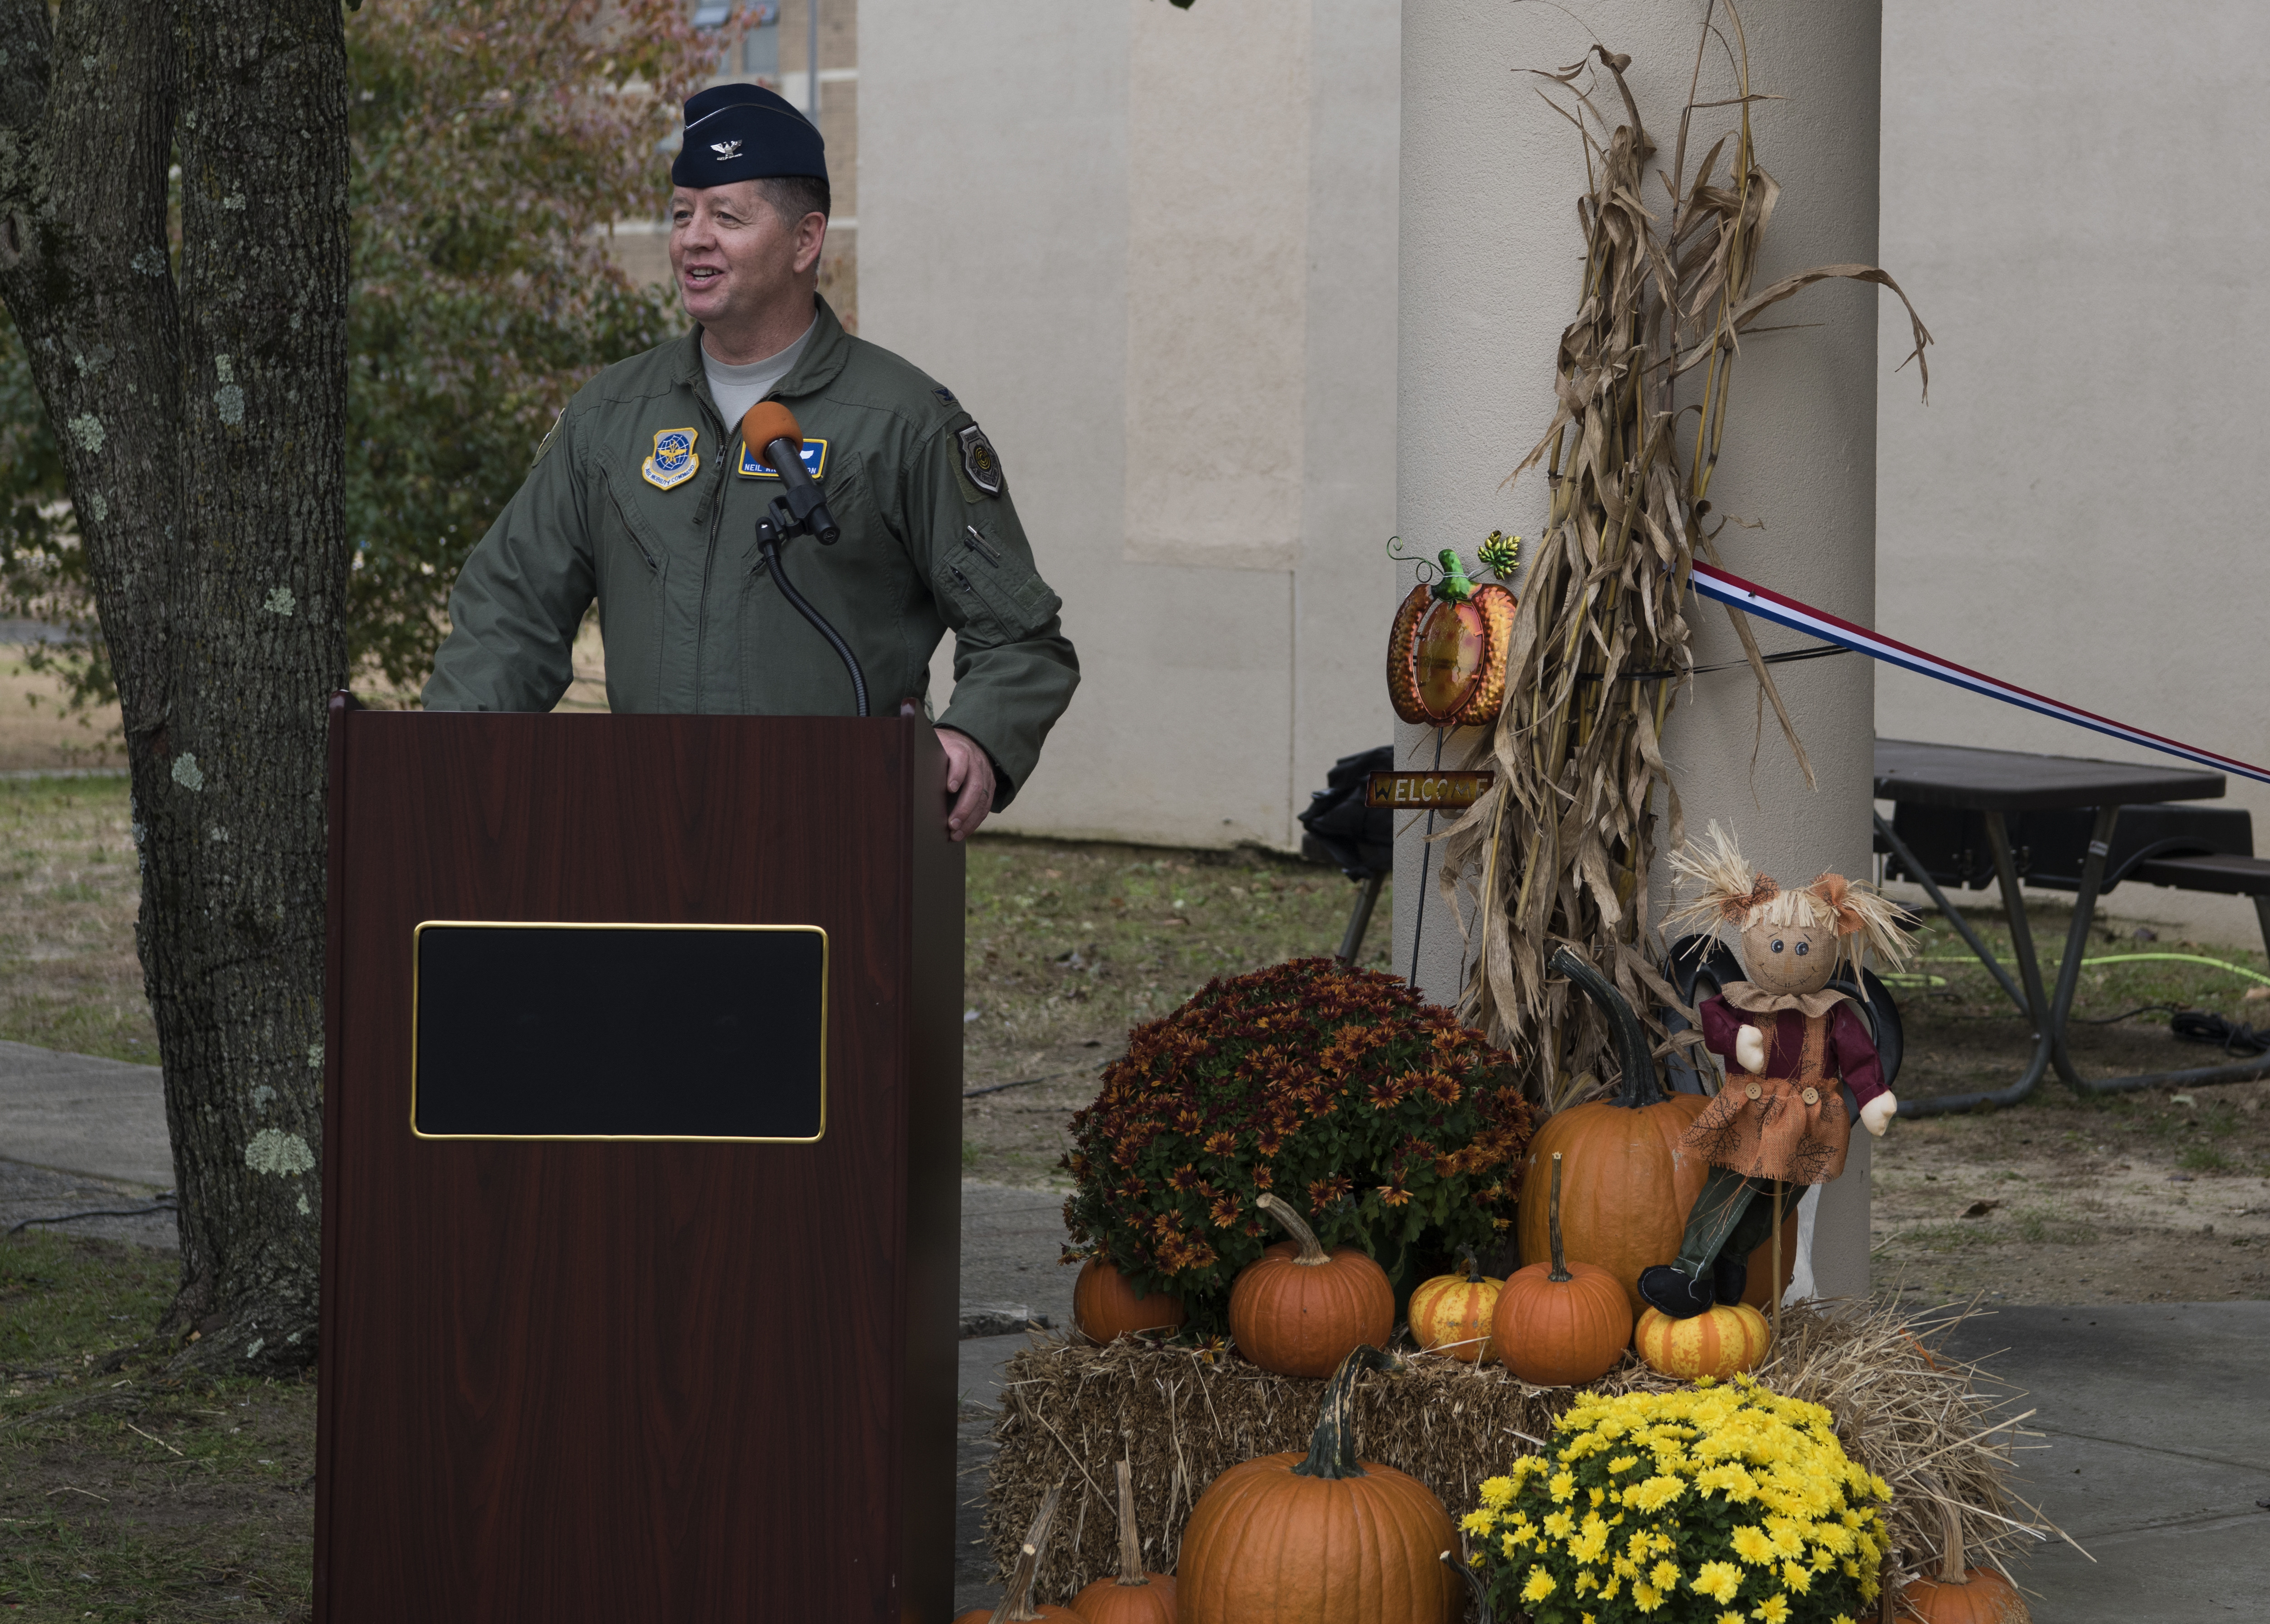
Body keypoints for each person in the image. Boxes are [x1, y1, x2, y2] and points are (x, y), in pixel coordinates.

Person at [423, 83, 1078, 841]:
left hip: (840, 837)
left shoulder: (901, 422)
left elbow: (1020, 638)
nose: (693, 239)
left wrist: (975, 739)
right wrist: (452, 759)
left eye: (726, 217)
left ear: (804, 241)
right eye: (682, 215)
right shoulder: (611, 415)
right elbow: (509, 609)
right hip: (644, 836)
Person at [1637, 821, 1917, 1319]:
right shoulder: (1745, 1001)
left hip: (1808, 1124)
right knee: (1727, 1187)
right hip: (1748, 1114)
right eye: (1776, 946)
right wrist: (1738, 1041)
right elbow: (1715, 1021)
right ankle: (1689, 1270)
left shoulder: (1832, 1013)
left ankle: (1733, 1259)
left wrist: (1873, 1095)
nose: (1788, 959)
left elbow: (1858, 1055)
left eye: (1803, 948)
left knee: (1778, 1202)